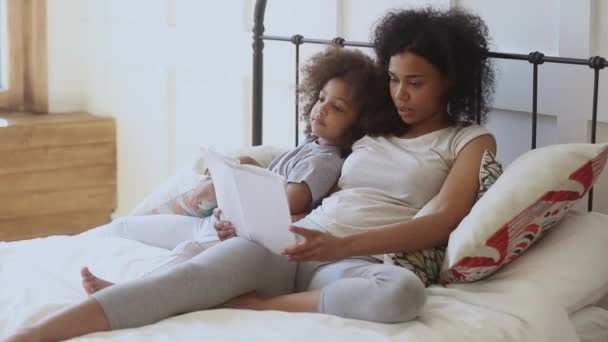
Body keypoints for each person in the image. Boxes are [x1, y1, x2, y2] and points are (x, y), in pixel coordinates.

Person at [7, 7, 497, 342]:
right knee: (186, 278)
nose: (400, 95)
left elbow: (443, 221)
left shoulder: (468, 141)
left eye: (415, 83)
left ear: (450, 80)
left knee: (402, 295)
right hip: (298, 240)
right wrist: (249, 201)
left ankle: (258, 306)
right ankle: (33, 335)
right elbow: (311, 163)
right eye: (393, 80)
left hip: (350, 258)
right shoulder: (376, 127)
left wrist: (340, 247)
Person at [78, 46, 384, 294]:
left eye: (338, 107)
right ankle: (78, 244)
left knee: (185, 255)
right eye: (321, 98)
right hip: (218, 224)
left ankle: (124, 292)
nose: (322, 108)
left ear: (358, 123)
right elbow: (277, 177)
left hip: (238, 237)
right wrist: (244, 168)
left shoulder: (325, 160)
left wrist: (237, 184)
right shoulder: (308, 146)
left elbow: (290, 200)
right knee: (125, 227)